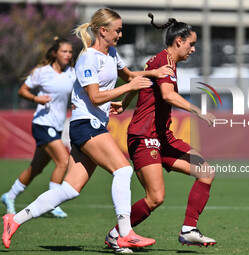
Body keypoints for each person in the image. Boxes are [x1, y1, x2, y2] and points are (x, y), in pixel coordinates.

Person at [2, 8, 174, 252]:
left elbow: (128, 76)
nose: (120, 34)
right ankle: (125, 233)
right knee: (123, 169)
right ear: (102, 31)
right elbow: (94, 97)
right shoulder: (87, 58)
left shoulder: (112, 53)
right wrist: (129, 88)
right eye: (117, 30)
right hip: (85, 125)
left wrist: (152, 73)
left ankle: (14, 220)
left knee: (69, 190)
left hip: (93, 125)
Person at [106, 13, 216, 250]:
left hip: (162, 137)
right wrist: (197, 110)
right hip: (144, 136)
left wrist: (125, 103)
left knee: (205, 172)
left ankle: (188, 230)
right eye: (192, 44)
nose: (193, 49)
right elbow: (167, 95)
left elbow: (141, 79)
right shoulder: (163, 61)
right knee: (155, 197)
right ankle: (116, 235)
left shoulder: (163, 62)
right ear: (179, 41)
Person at [1, 37, 75, 218]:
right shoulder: (42, 72)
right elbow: (22, 91)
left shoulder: (72, 72)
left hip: (56, 126)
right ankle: (53, 203)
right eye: (64, 51)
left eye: (70, 52)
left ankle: (9, 196)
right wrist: (37, 99)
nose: (67, 55)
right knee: (63, 161)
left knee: (36, 168)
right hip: (42, 124)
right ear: (55, 53)